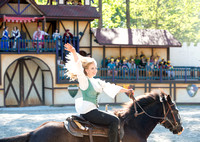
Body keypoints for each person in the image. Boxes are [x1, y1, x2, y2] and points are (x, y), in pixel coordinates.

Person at [64, 43, 134, 142]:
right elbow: (79, 66)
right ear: (86, 70)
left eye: (96, 68)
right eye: (92, 68)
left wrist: (127, 90)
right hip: (89, 112)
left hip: (93, 111)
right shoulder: (84, 81)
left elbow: (111, 86)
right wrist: (74, 52)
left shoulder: (97, 81)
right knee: (115, 120)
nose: (95, 70)